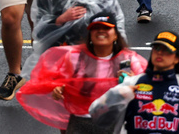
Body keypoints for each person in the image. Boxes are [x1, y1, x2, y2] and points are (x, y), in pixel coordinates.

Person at [18, 13, 147, 134]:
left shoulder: (130, 59)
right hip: (80, 123)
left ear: (115, 35)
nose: (101, 31)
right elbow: (60, 81)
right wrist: (57, 89)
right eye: (96, 28)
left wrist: (134, 81)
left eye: (106, 28)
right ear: (89, 35)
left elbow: (147, 88)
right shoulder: (74, 57)